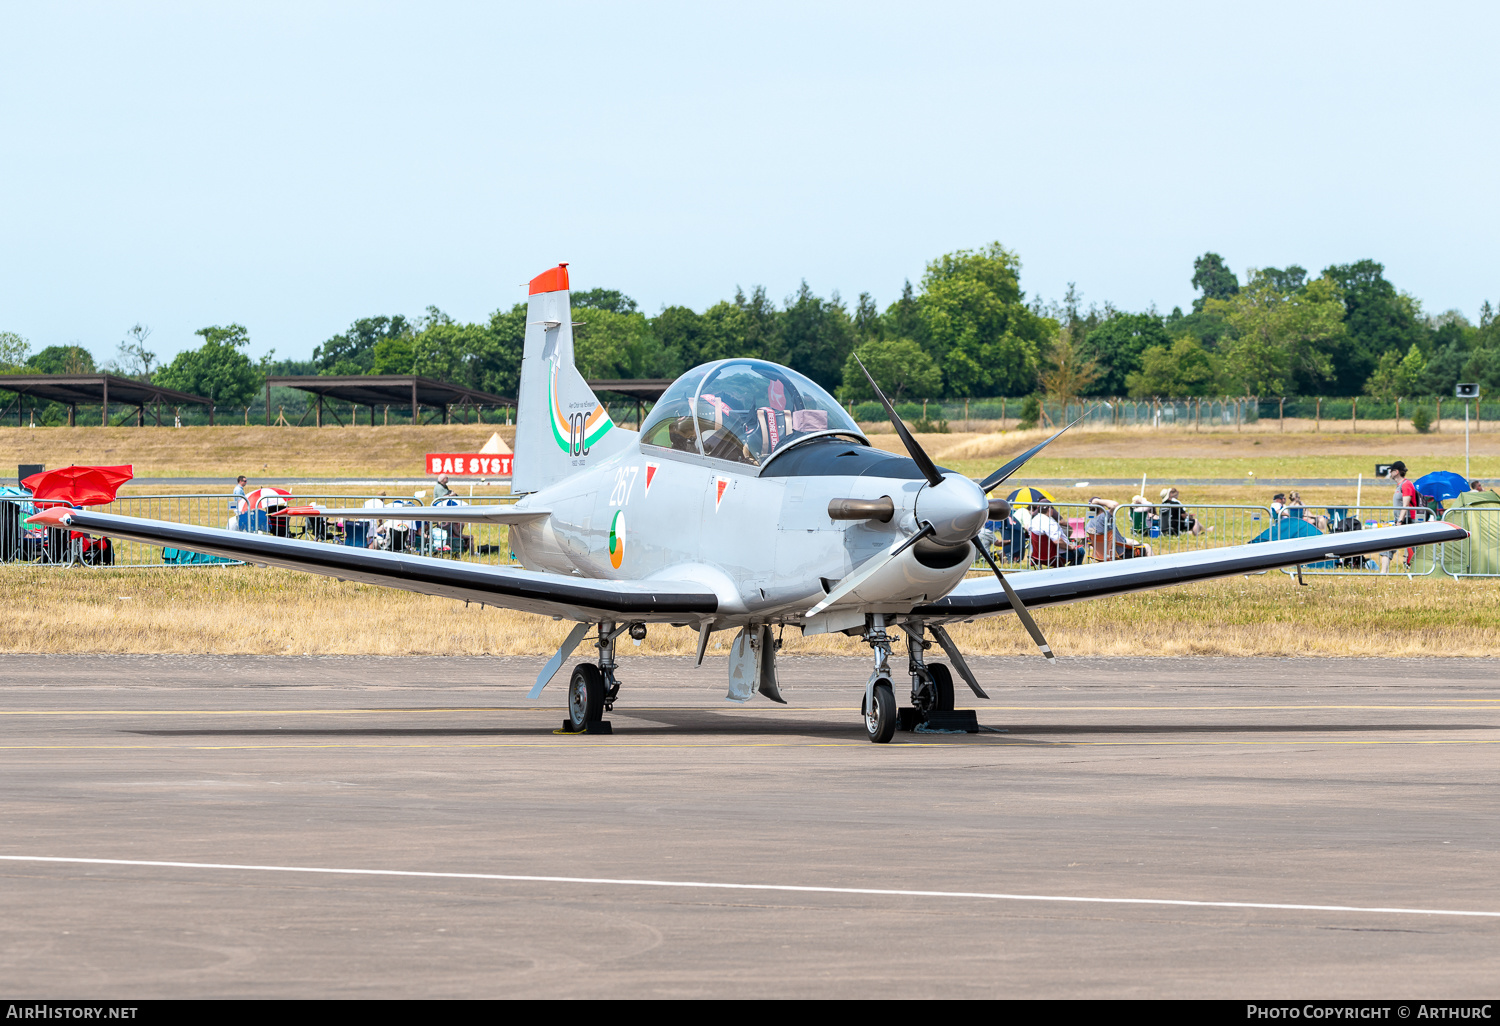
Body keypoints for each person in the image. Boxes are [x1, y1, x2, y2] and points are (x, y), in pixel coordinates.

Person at [1378, 461, 1420, 573]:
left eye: (1391, 471)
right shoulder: (1400, 485)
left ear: (1396, 472)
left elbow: (1406, 505)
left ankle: (1384, 572)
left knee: (1390, 545)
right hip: (1403, 521)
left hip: (1408, 521)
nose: (1390, 473)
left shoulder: (1406, 484)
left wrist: (1400, 521)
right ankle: (1384, 572)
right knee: (1389, 545)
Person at [1085, 497, 1151, 560]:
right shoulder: (1104, 517)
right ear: (1101, 507)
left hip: (1102, 555)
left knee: (1134, 542)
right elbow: (1114, 505)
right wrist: (1097, 501)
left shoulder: (1089, 524)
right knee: (1147, 547)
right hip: (1119, 554)